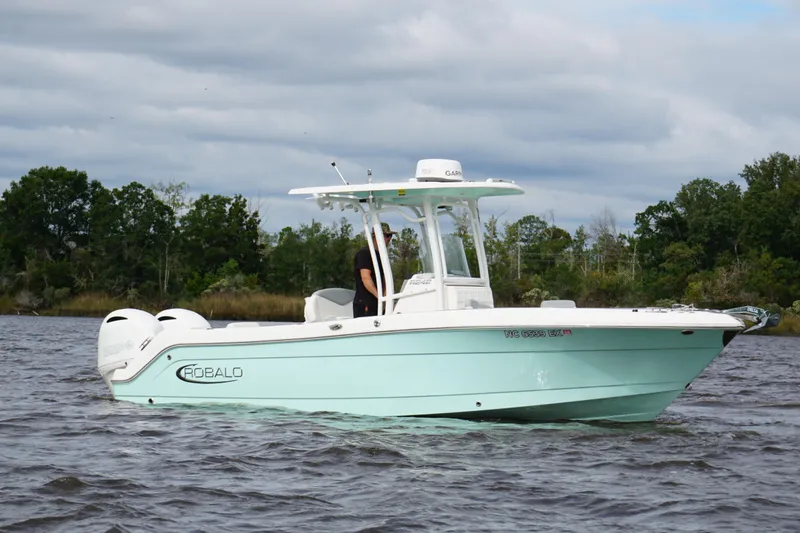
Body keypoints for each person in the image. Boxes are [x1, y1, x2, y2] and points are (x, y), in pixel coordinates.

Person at [353, 222, 396, 317]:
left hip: (378, 304)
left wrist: (386, 299)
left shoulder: (382, 256)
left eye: (390, 236)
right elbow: (366, 278)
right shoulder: (365, 253)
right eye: (386, 236)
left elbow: (384, 279)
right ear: (376, 236)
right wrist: (380, 297)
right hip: (365, 304)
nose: (389, 239)